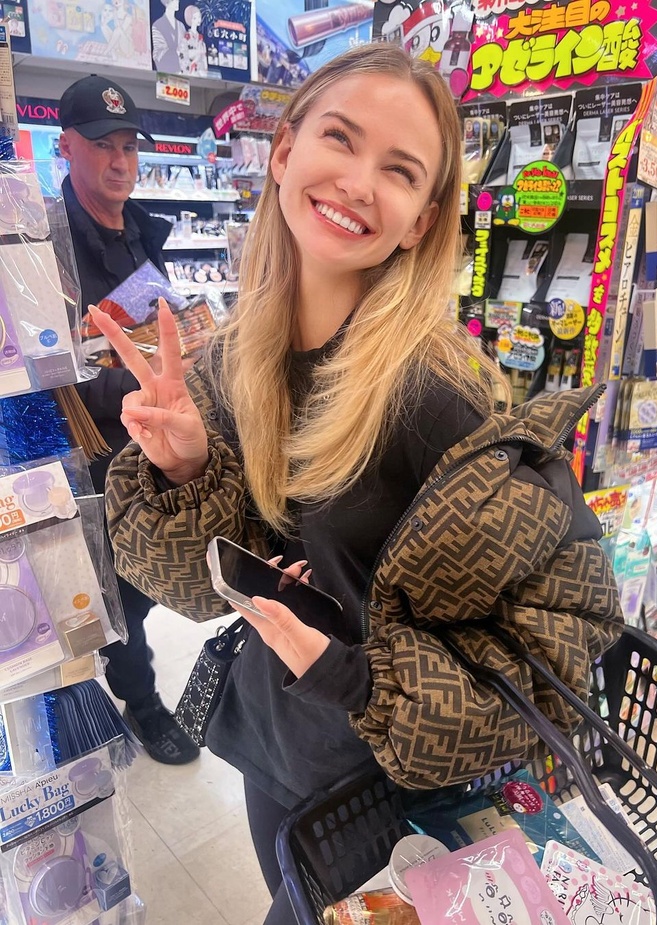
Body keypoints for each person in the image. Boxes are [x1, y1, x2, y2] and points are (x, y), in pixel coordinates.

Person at [100, 45, 623, 923]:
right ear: (284, 152)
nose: (357, 182)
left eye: (400, 170)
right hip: (280, 741)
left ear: (422, 220)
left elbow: (565, 631)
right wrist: (184, 468)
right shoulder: (239, 357)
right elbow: (189, 587)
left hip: (390, 788)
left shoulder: (437, 396)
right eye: (339, 139)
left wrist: (361, 682)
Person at [57, 75, 200, 766]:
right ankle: (141, 703)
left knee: (144, 582)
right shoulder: (47, 244)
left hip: (153, 443)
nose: (119, 161)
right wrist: (148, 377)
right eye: (101, 146)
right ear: (65, 147)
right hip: (94, 452)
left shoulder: (141, 228)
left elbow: (151, 322)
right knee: (113, 591)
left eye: (128, 146)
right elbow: (56, 373)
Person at [152, 0, 186, 74]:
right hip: (164, 74)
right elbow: (158, 54)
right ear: (167, 2)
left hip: (182, 74)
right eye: (174, 0)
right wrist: (178, 53)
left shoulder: (181, 26)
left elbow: (185, 48)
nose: (177, 2)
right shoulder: (157, 25)